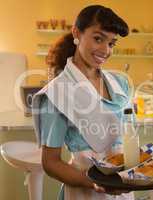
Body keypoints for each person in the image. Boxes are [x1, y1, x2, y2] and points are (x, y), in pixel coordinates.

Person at [32, 5, 135, 200]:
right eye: (98, 38)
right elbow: (51, 163)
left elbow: (130, 139)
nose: (105, 50)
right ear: (76, 33)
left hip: (124, 191)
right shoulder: (56, 93)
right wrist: (95, 183)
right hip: (84, 192)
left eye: (112, 43)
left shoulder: (121, 84)